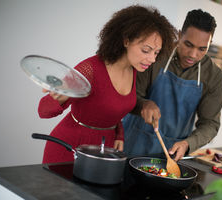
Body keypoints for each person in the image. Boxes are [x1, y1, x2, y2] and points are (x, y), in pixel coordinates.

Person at [38, 5, 177, 164]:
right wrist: (58, 96)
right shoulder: (90, 69)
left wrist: (118, 134)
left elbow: (112, 108)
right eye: (146, 50)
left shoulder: (134, 70)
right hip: (69, 148)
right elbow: (43, 111)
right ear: (126, 40)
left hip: (104, 151)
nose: (152, 59)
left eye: (156, 52)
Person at [123, 9, 222, 161]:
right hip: (133, 145)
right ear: (179, 35)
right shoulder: (155, 54)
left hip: (172, 155)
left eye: (202, 49)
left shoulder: (213, 76)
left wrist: (188, 144)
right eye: (188, 44)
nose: (193, 54)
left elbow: (210, 123)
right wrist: (144, 104)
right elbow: (128, 96)